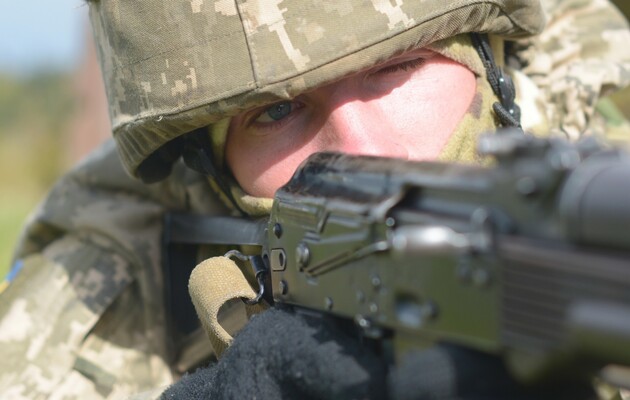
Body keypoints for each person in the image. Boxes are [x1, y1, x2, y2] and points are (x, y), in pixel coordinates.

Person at [1, 0, 629, 398]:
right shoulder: (103, 295)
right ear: (210, 168)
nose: (364, 149)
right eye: (275, 112)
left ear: (489, 64)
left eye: (398, 66)